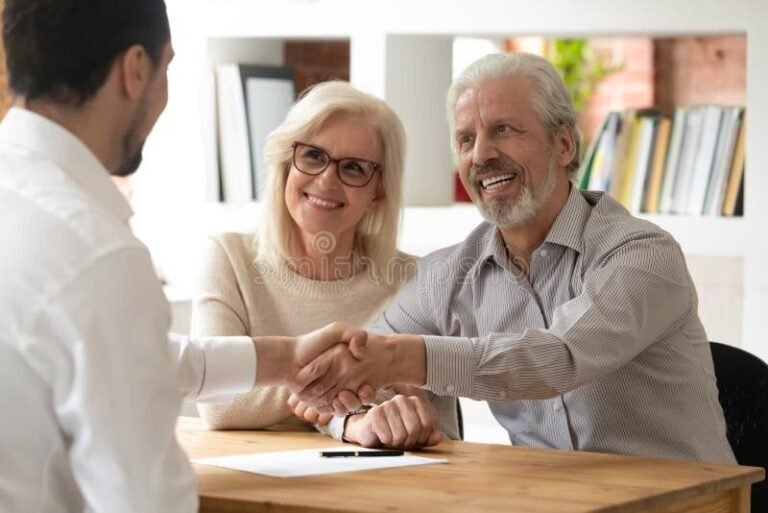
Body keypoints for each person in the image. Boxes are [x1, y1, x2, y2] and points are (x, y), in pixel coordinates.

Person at [0, 1, 366, 511]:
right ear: (135, 69)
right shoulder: (96, 255)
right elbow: (146, 501)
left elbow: (132, 354)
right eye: (167, 67)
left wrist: (287, 357)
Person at [291, 52, 737, 464]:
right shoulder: (446, 276)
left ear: (564, 145)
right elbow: (346, 377)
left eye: (503, 129)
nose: (481, 155)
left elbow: (558, 357)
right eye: (466, 139)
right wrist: (355, 418)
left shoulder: (643, 255)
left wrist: (396, 357)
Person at [192, 81, 459, 449]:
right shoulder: (229, 259)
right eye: (314, 156)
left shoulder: (418, 282)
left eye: (353, 168)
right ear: (286, 162)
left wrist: (332, 403)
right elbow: (217, 402)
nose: (326, 180)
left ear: (378, 191)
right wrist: (348, 405)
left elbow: (444, 431)